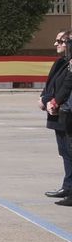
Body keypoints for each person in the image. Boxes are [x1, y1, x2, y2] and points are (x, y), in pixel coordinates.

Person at [44, 32, 72, 203]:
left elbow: (66, 86)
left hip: (66, 111)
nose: (57, 44)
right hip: (61, 112)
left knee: (69, 152)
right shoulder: (61, 62)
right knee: (65, 152)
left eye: (61, 41)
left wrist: (55, 102)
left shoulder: (69, 64)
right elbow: (51, 84)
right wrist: (46, 99)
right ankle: (68, 187)